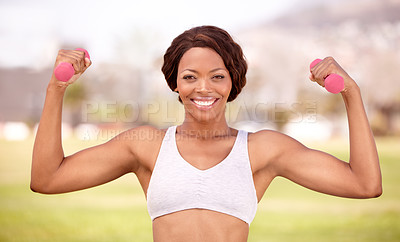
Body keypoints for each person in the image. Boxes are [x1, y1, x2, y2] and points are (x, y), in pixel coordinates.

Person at [31, 25, 382, 241]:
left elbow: (365, 185)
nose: (204, 88)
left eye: (217, 76)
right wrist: (55, 90)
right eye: (189, 76)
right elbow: (47, 178)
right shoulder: (146, 147)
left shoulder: (263, 150)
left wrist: (352, 93)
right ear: (175, 84)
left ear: (233, 83)